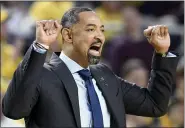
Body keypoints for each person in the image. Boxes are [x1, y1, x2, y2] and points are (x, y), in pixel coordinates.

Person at [2, 7, 179, 128]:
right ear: (68, 35)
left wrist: (162, 52)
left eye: (102, 30)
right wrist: (40, 47)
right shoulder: (43, 75)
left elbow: (155, 105)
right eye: (91, 29)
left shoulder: (106, 76)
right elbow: (13, 109)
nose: (100, 37)